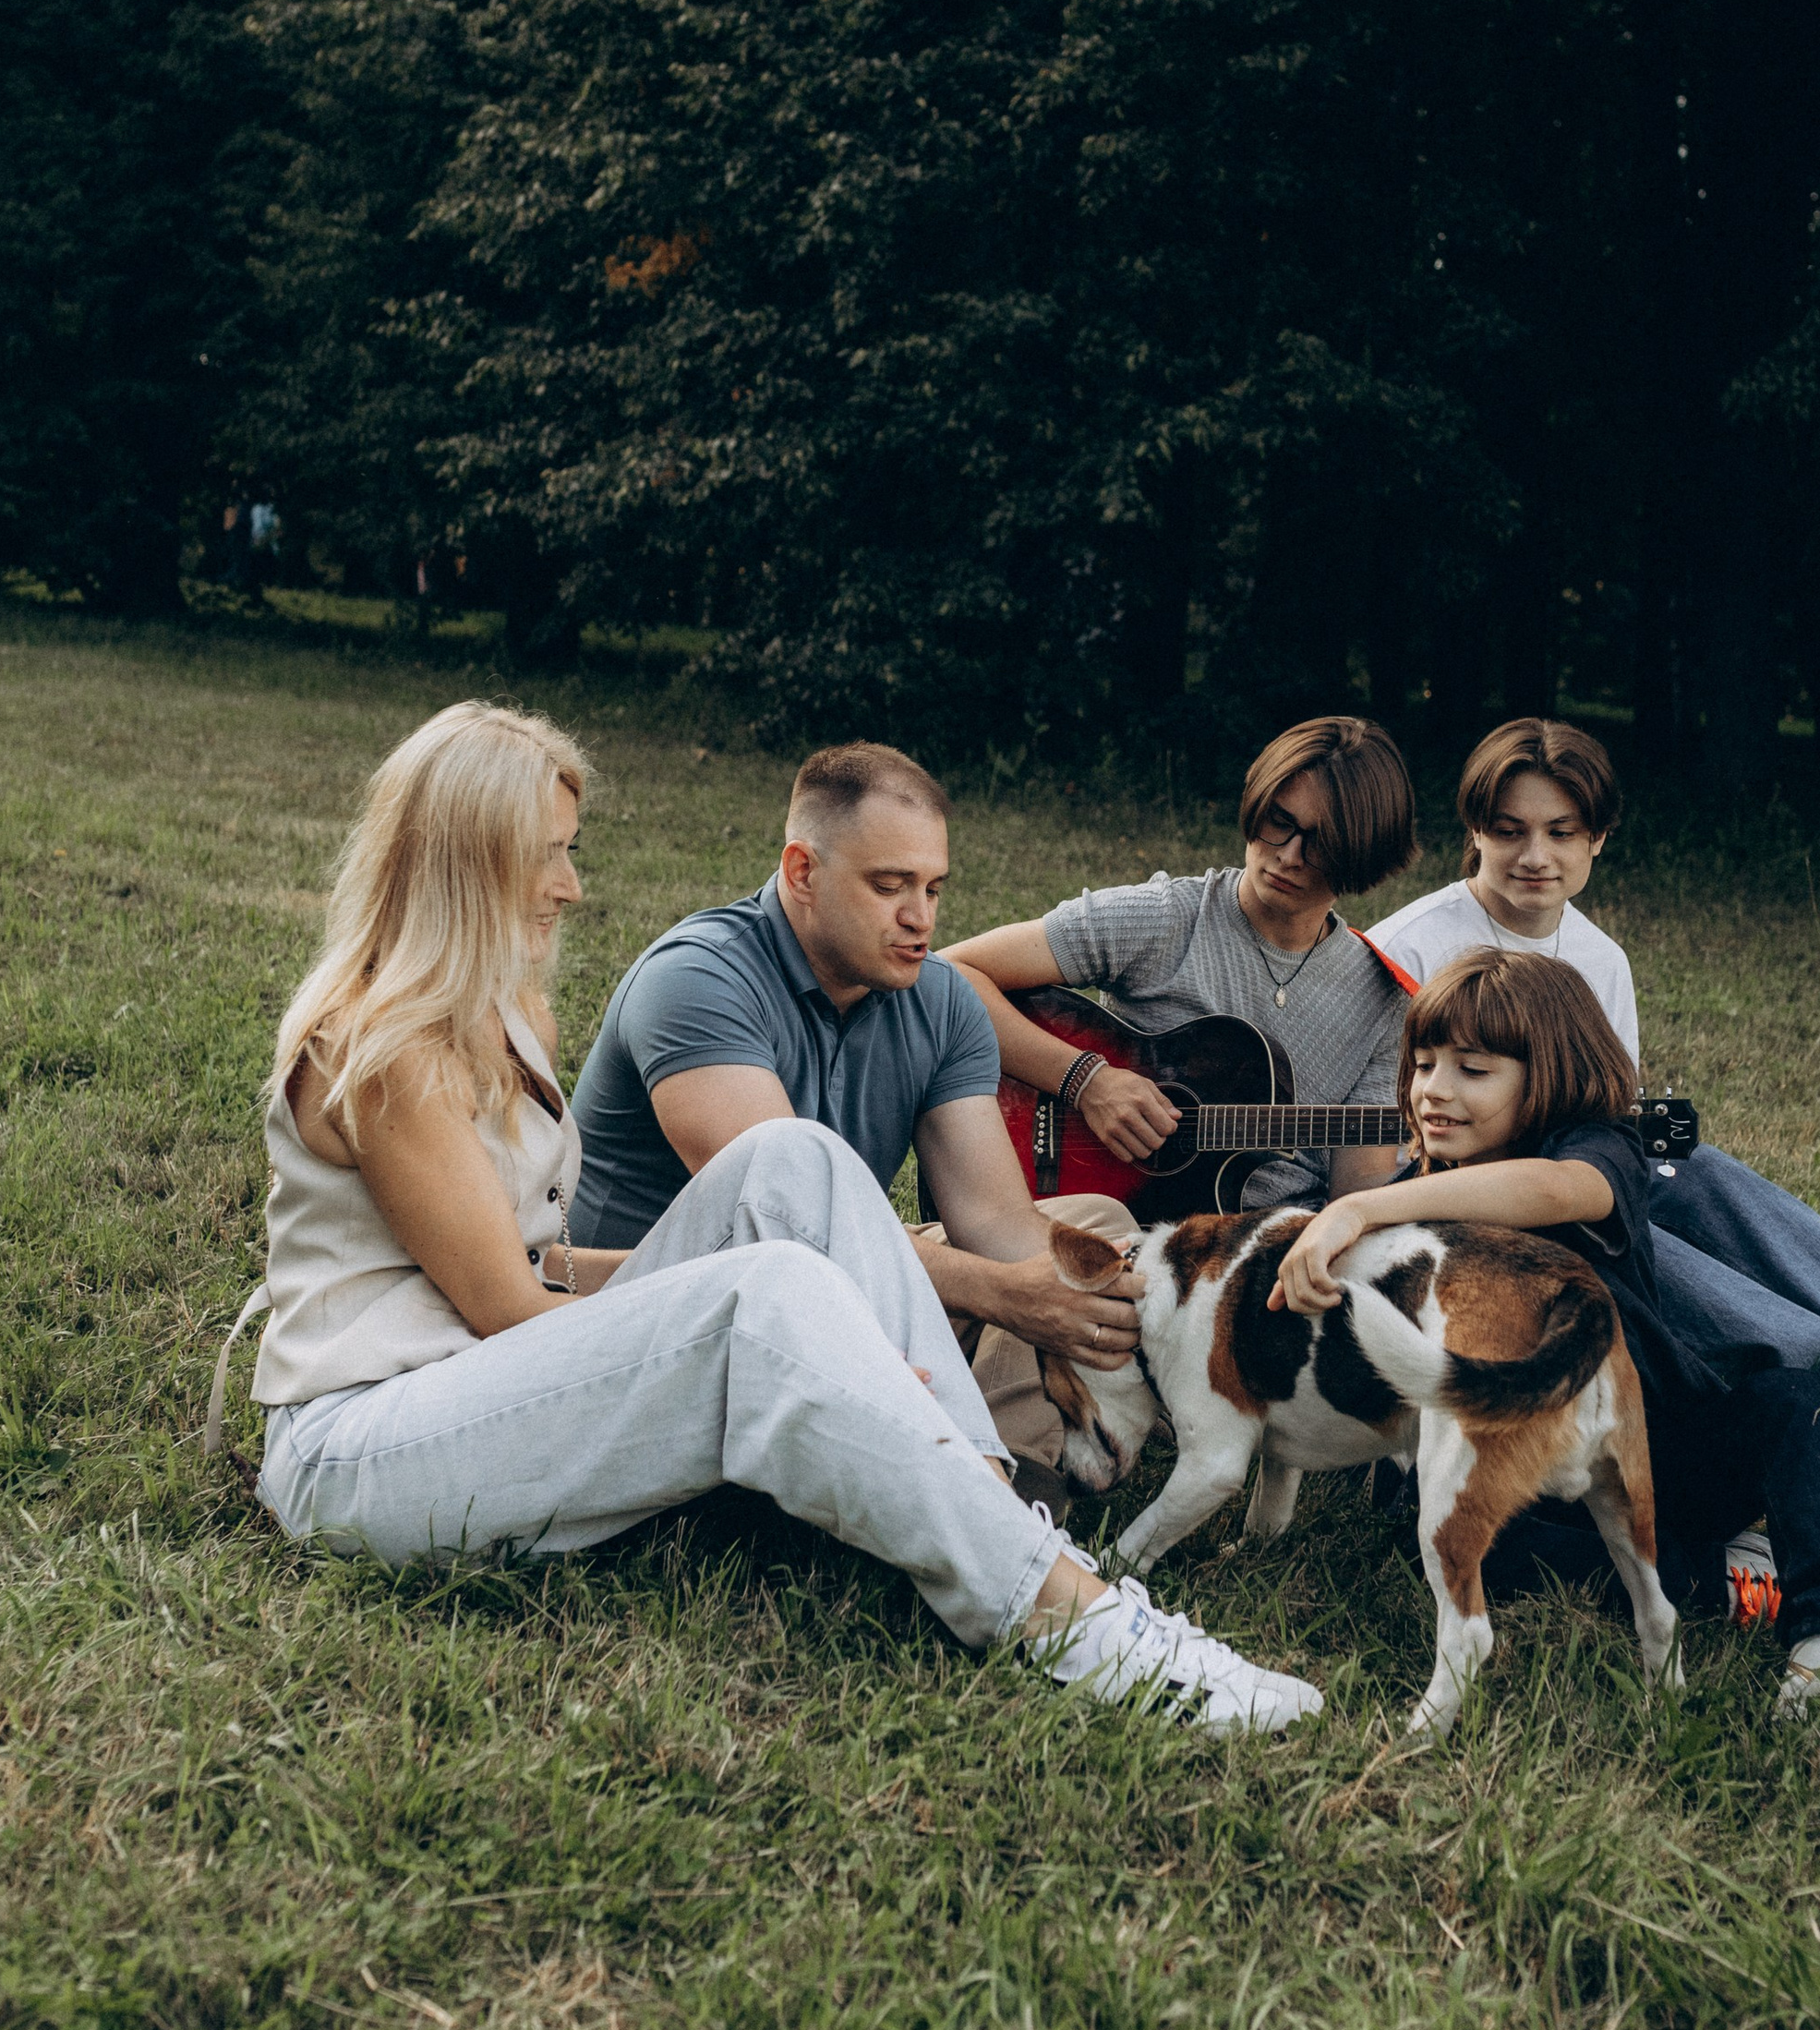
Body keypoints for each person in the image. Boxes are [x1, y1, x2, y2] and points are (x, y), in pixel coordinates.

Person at [215, 699, 1322, 1735]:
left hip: (473, 1387)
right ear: (473, 862)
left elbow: (539, 1265)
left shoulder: (503, 1009)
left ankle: (988, 1508)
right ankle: (1070, 1622)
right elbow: (511, 1305)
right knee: (774, 1280)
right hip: (359, 1453)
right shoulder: (384, 1048)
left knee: (793, 1163)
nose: (572, 884)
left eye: (570, 849)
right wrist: (726, 1291)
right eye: (550, 853)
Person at [1368, 717, 1820, 1470]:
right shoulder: (1411, 947)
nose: (1537, 856)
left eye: (1562, 832)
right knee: (1622, 1228)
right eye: (1511, 831)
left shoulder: (1602, 958)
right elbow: (1389, 1133)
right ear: (1474, 831)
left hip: (1577, 1168)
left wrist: (1626, 1155)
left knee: (1699, 1171)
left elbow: (1605, 1114)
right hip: (1474, 1200)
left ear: (1599, 838)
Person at [1270, 949, 1820, 1734]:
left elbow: (1559, 1191)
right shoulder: (1403, 1212)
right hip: (1523, 1472)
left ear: (1548, 1076)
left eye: (1473, 1069)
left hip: (1661, 1448)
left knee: (1797, 1404)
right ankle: (1727, 1579)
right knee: (1454, 1535)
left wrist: (1357, 1210)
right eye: (1423, 1064)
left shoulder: (1596, 1150)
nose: (1435, 1090)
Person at [564, 741, 1149, 1515]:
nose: (921, 918)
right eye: (889, 886)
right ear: (803, 872)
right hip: (665, 1309)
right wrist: (1007, 1297)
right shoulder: (697, 980)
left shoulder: (939, 1000)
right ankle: (947, 1490)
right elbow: (787, 1223)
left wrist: (1122, 1290)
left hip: (832, 1285)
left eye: (934, 888)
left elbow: (993, 1222)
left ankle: (1008, 1494)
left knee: (1089, 1230)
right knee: (1007, 1288)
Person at [940, 714, 1420, 1478]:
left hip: (1244, 1278)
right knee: (1067, 1266)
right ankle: (1005, 1464)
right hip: (1101, 1218)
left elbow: (1355, 1194)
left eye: (1319, 843)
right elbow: (949, 977)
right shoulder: (1171, 916)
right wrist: (1084, 1078)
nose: (1287, 856)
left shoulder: (1382, 1002)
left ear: (1363, 856)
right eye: (1277, 823)